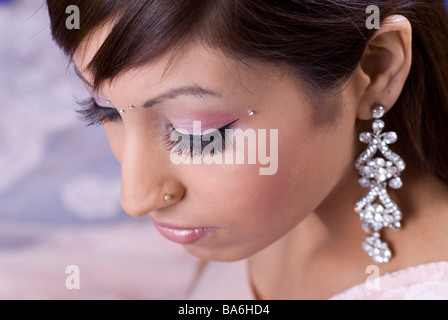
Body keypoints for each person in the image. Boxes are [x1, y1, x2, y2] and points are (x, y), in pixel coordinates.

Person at [46, 0, 448, 299]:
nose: (134, 198)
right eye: (104, 108)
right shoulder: (275, 208)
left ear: (377, 70)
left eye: (198, 133)